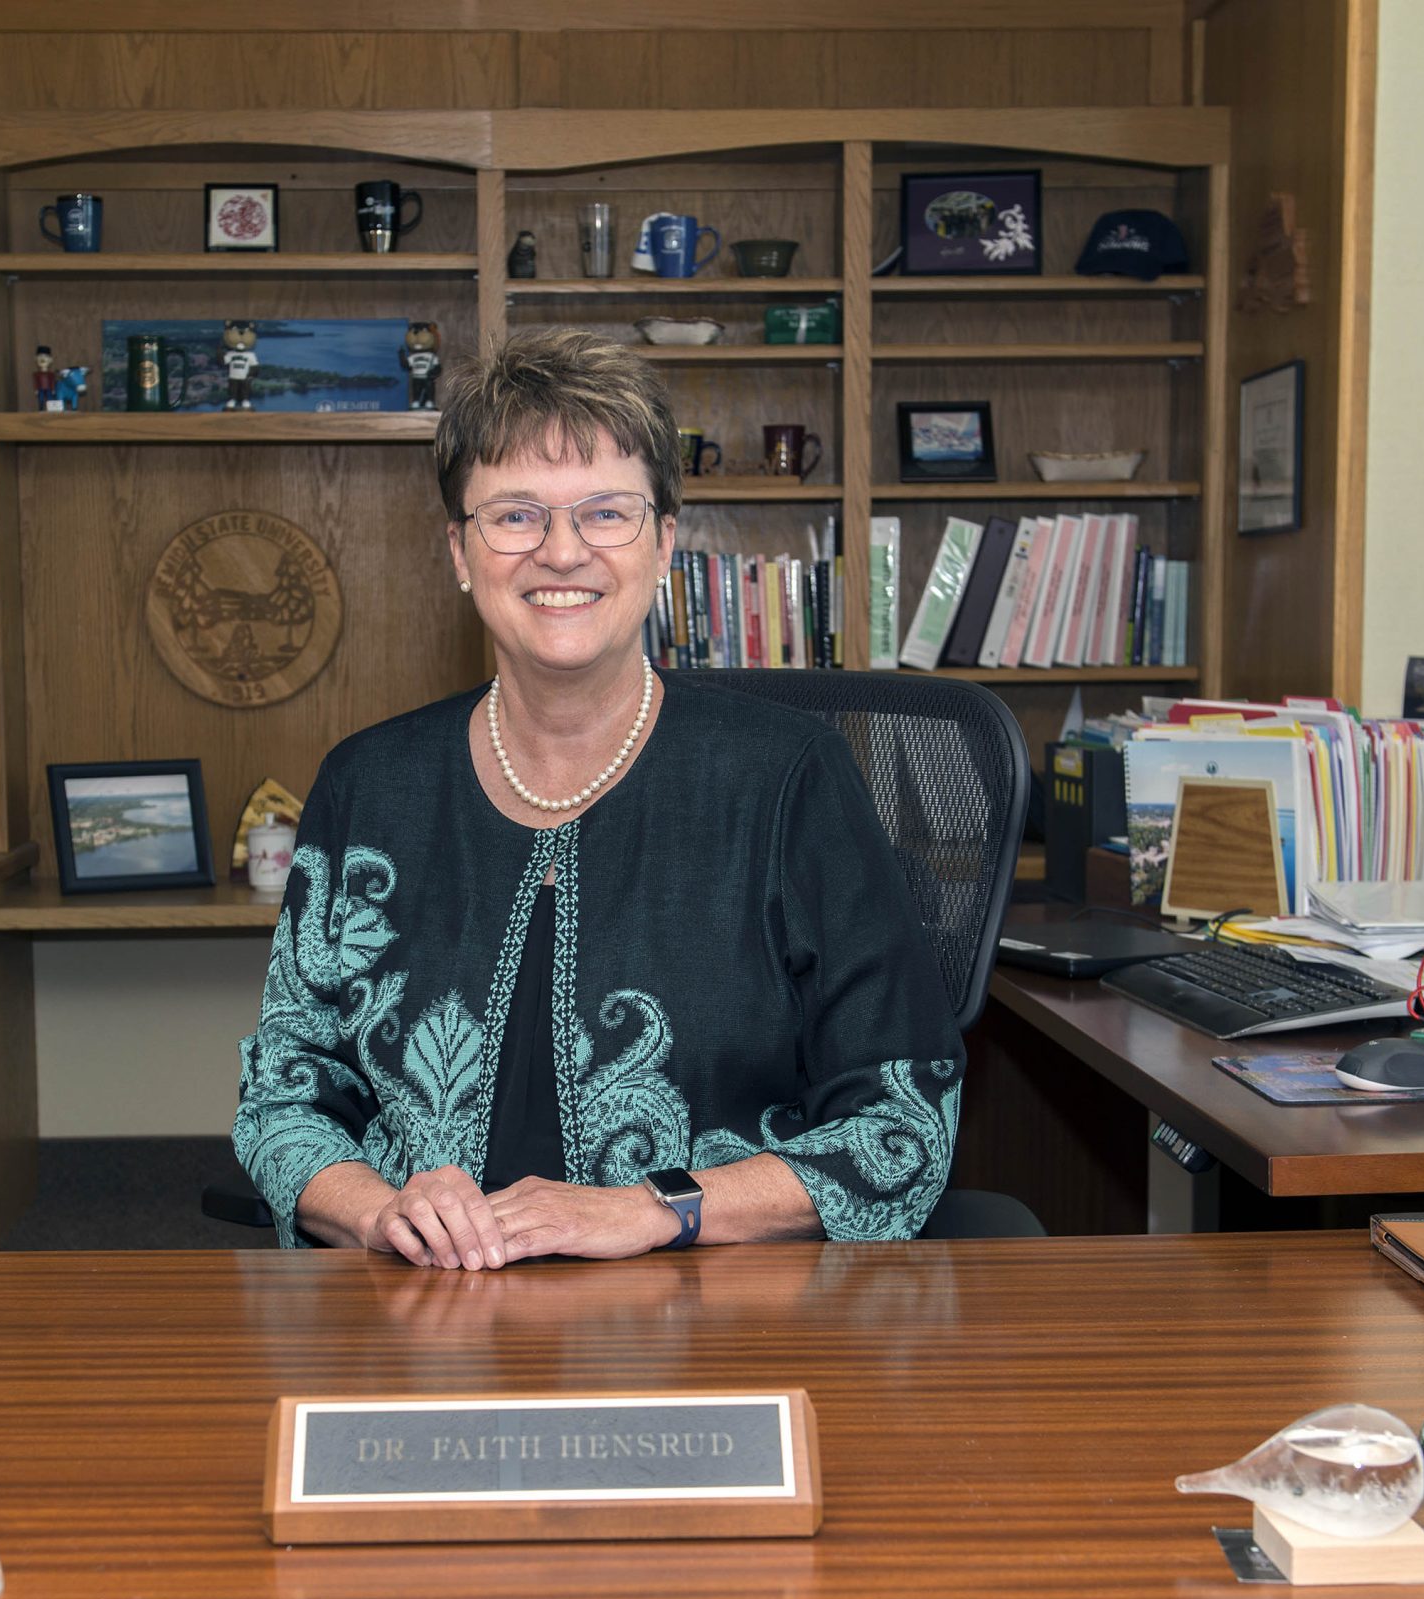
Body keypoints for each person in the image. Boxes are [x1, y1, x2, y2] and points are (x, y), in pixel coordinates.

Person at [232, 327, 961, 1268]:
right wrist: (375, 1213)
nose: (562, 551)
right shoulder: (369, 784)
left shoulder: (791, 780)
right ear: (460, 551)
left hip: (712, 1308)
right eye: (516, 515)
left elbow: (903, 1121)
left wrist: (659, 1209)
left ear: (664, 542)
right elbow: (285, 1096)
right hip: (421, 1312)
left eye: (606, 513)